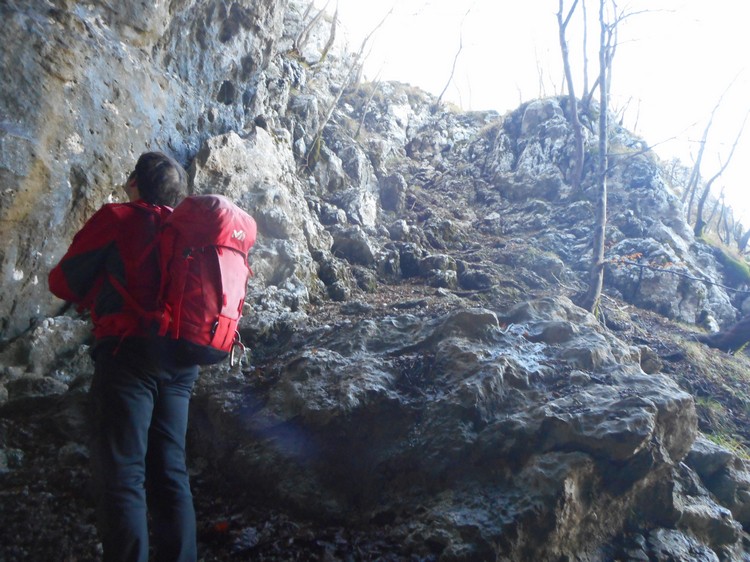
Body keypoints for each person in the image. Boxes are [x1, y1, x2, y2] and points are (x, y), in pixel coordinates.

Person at [49, 152, 199, 562]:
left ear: (134, 182)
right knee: (171, 471)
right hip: (183, 358)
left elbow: (62, 282)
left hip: (129, 354)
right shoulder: (188, 231)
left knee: (123, 475)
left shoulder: (118, 218)